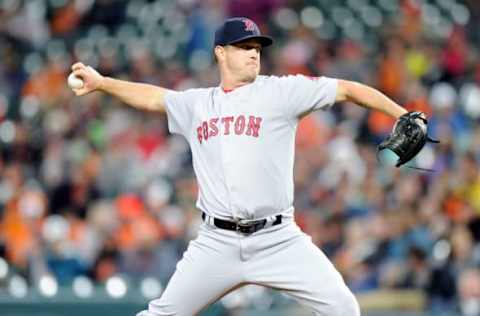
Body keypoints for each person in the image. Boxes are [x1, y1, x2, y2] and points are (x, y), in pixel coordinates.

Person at [70, 17, 409, 316]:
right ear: (220, 52)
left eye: (257, 47)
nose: (253, 53)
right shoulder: (198, 104)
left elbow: (347, 89)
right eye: (243, 46)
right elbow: (153, 97)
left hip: (278, 238)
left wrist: (401, 114)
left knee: (342, 307)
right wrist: (102, 83)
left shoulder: (282, 92)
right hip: (216, 242)